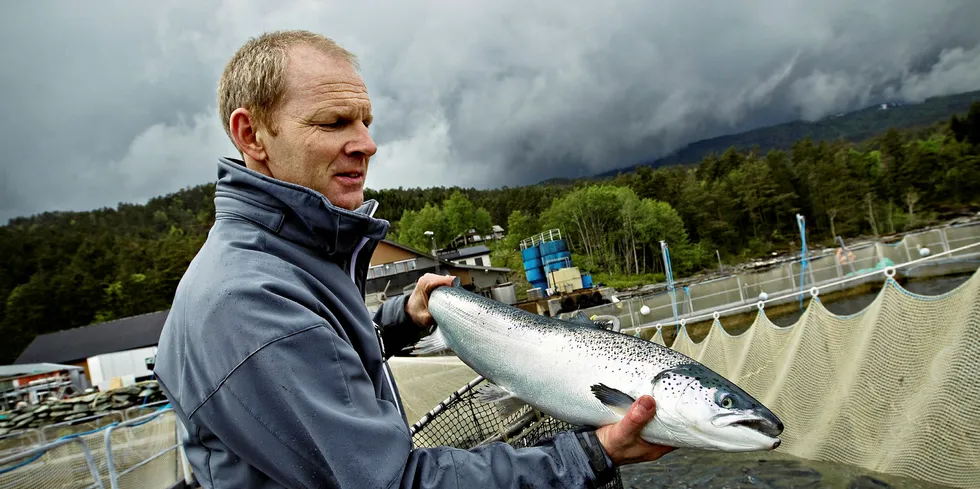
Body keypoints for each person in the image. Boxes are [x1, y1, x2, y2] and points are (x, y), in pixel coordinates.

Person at [154, 29, 674, 489]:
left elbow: (321, 359)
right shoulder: (248, 300)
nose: (367, 144)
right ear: (251, 135)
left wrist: (401, 319)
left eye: (364, 121)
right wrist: (589, 454)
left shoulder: (283, 262)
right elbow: (392, 482)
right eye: (335, 122)